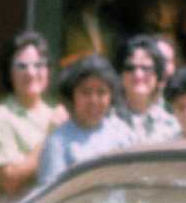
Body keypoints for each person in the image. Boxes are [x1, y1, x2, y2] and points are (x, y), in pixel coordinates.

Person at [0, 32, 63, 203]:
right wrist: (50, 135)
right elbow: (10, 181)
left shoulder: (57, 113)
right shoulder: (1, 116)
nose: (31, 73)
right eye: (22, 66)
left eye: (38, 65)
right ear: (9, 73)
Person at [38, 56, 134, 185]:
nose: (93, 101)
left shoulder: (123, 135)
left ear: (111, 96)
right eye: (85, 92)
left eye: (101, 92)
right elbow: (50, 198)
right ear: (72, 95)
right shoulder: (57, 143)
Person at [110, 35, 179, 145]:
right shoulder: (106, 121)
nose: (138, 74)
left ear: (158, 74)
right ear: (120, 74)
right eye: (130, 67)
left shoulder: (174, 126)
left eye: (146, 68)